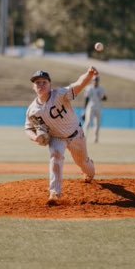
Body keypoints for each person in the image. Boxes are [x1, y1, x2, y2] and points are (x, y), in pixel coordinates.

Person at [25, 67, 97, 204]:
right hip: (56, 137)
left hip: (76, 134)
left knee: (83, 163)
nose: (40, 85)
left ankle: (89, 171)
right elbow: (28, 128)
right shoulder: (32, 110)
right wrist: (36, 137)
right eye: (37, 83)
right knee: (55, 157)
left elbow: (79, 84)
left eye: (44, 82)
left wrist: (89, 75)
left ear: (50, 84)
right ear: (33, 87)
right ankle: (55, 193)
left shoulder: (60, 94)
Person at [83, 76, 107, 143]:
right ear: (92, 81)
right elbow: (86, 99)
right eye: (94, 80)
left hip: (99, 107)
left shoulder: (101, 89)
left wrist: (103, 97)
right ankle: (84, 137)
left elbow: (105, 98)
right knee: (87, 122)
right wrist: (84, 110)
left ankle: (96, 138)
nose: (95, 81)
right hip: (91, 107)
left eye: (96, 80)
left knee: (97, 123)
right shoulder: (89, 88)